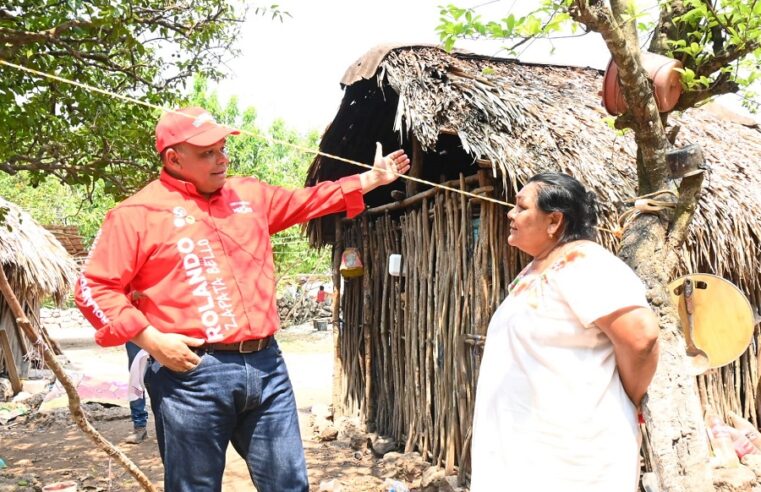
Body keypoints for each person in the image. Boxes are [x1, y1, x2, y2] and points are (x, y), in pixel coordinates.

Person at [74, 106, 410, 492]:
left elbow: (309, 200)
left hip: (268, 367)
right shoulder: (135, 214)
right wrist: (151, 340)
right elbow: (92, 288)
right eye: (207, 153)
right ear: (173, 158)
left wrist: (372, 179)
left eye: (221, 148)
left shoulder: (248, 195)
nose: (222, 159)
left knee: (289, 484)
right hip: (191, 374)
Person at [470, 172, 660, 491]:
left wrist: (630, 395)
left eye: (521, 207)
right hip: (526, 455)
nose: (510, 214)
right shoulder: (535, 271)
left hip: (571, 459)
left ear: (554, 221)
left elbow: (641, 337)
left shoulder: (583, 262)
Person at [124, 341, 148, 444]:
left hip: (162, 331)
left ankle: (167, 427)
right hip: (135, 336)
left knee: (163, 378)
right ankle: (139, 427)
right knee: (136, 381)